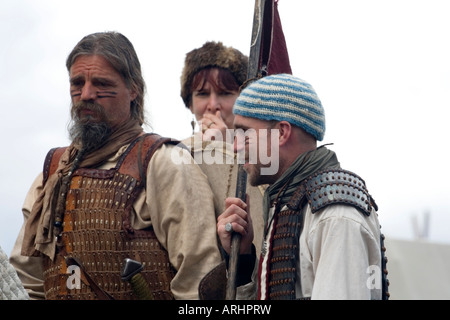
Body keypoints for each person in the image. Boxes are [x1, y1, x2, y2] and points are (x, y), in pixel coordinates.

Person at [9, 31, 222, 300]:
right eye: (77, 83)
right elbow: (27, 283)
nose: (86, 94)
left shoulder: (163, 163)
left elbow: (199, 279)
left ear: (133, 89)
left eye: (101, 83)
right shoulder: (53, 175)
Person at [217, 73, 389, 300]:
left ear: (281, 132)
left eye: (245, 134)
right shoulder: (288, 204)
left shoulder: (335, 216)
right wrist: (242, 257)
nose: (236, 147)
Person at [179, 41, 266, 256]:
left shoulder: (264, 158)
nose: (213, 104)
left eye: (225, 93)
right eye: (202, 94)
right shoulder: (174, 153)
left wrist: (226, 148)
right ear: (189, 103)